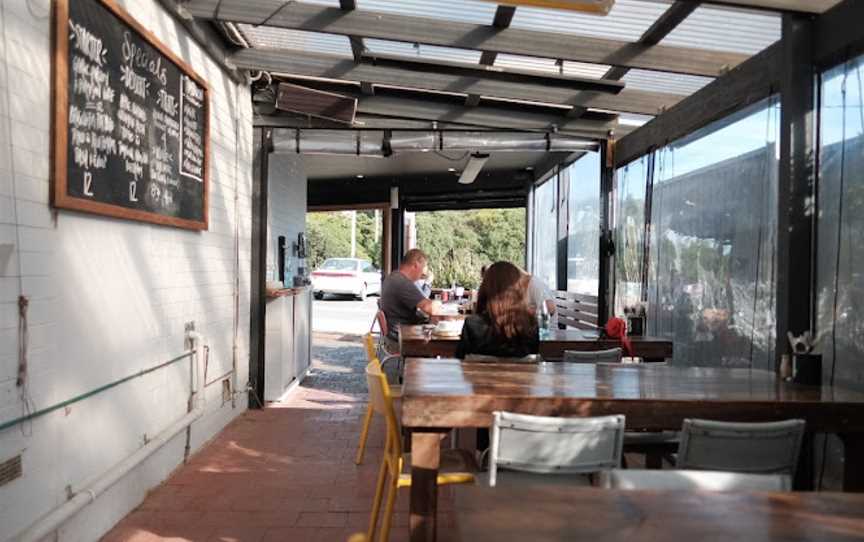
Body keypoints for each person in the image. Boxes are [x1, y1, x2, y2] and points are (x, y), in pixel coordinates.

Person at [455, 261, 539, 359]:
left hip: (481, 374)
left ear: (486, 287)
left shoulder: (472, 324)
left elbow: (460, 360)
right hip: (517, 374)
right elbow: (532, 361)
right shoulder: (529, 324)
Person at [380, 249, 441, 341]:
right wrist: (438, 303)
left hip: (394, 333)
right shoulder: (402, 282)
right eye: (423, 267)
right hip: (402, 336)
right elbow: (431, 308)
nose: (423, 273)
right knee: (445, 339)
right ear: (416, 265)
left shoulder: (393, 277)